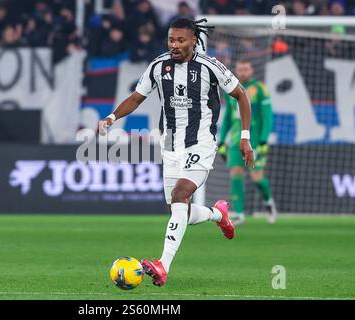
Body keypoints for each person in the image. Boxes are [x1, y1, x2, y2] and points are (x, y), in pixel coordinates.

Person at [97, 17, 254, 287]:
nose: (175, 45)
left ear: (194, 40)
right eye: (171, 39)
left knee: (181, 194)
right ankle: (218, 215)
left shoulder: (210, 66)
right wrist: (111, 117)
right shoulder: (159, 66)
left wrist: (244, 137)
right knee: (178, 210)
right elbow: (136, 98)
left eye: (181, 40)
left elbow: (241, 95)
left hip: (201, 143)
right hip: (170, 146)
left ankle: (162, 265)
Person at [218, 59, 277, 225]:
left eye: (246, 68)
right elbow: (228, 118)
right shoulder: (230, 88)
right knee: (235, 174)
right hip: (236, 141)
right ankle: (239, 214)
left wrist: (264, 140)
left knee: (257, 177)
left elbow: (267, 116)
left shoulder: (259, 89)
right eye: (240, 68)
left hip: (256, 141)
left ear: (251, 70)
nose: (243, 72)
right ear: (236, 70)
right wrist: (222, 141)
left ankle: (269, 203)